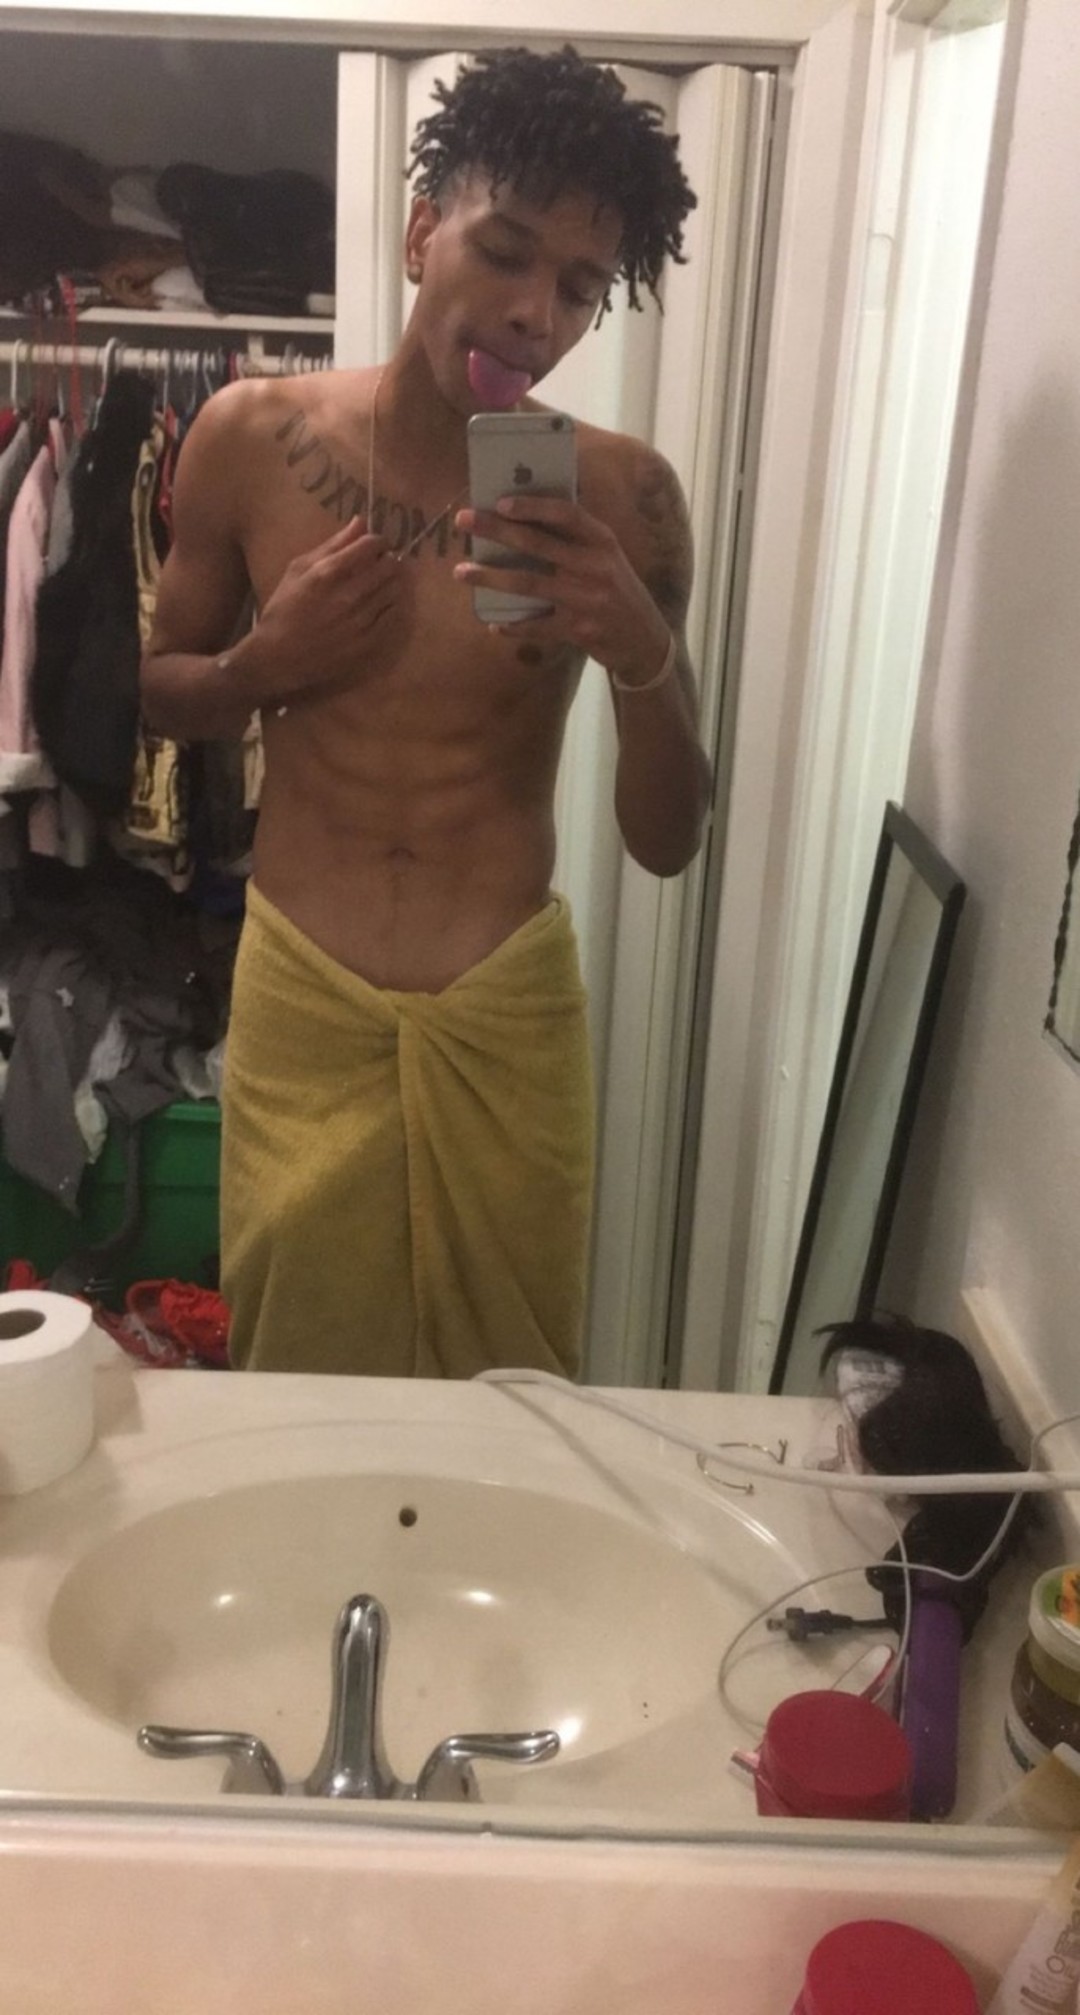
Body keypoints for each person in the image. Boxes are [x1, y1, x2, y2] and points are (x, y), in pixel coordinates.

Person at [141, 45, 712, 1381]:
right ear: (419, 236)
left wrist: (641, 652)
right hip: (304, 1007)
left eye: (579, 287)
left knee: (516, 1406)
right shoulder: (248, 435)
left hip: (503, 1019)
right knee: (297, 1394)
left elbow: (670, 841)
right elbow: (159, 697)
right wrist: (259, 669)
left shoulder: (627, 501)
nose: (534, 314)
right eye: (504, 253)